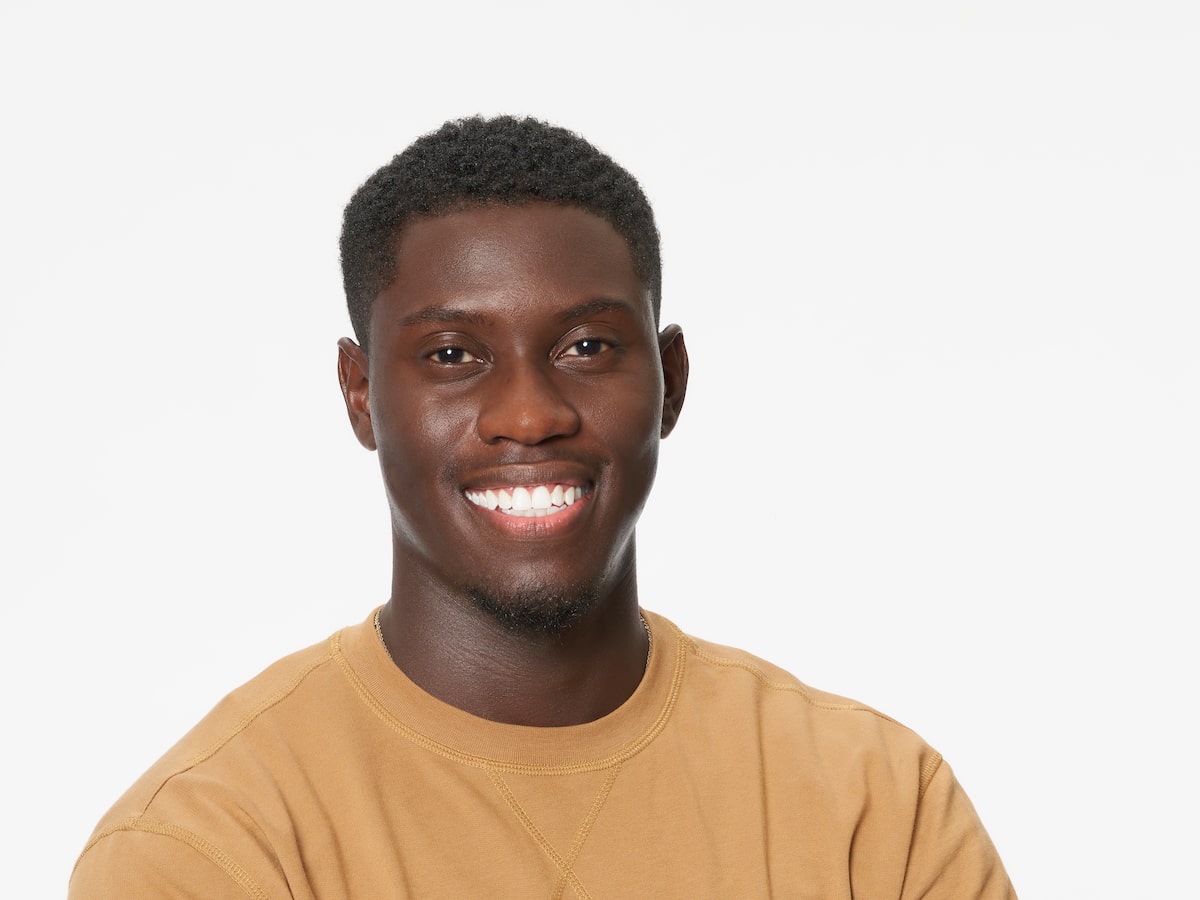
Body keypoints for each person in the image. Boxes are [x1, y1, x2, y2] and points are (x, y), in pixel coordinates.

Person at [70, 115, 1016, 898]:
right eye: (453, 355)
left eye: (586, 347)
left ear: (672, 380)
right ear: (360, 395)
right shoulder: (207, 849)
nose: (529, 415)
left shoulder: (875, 808)